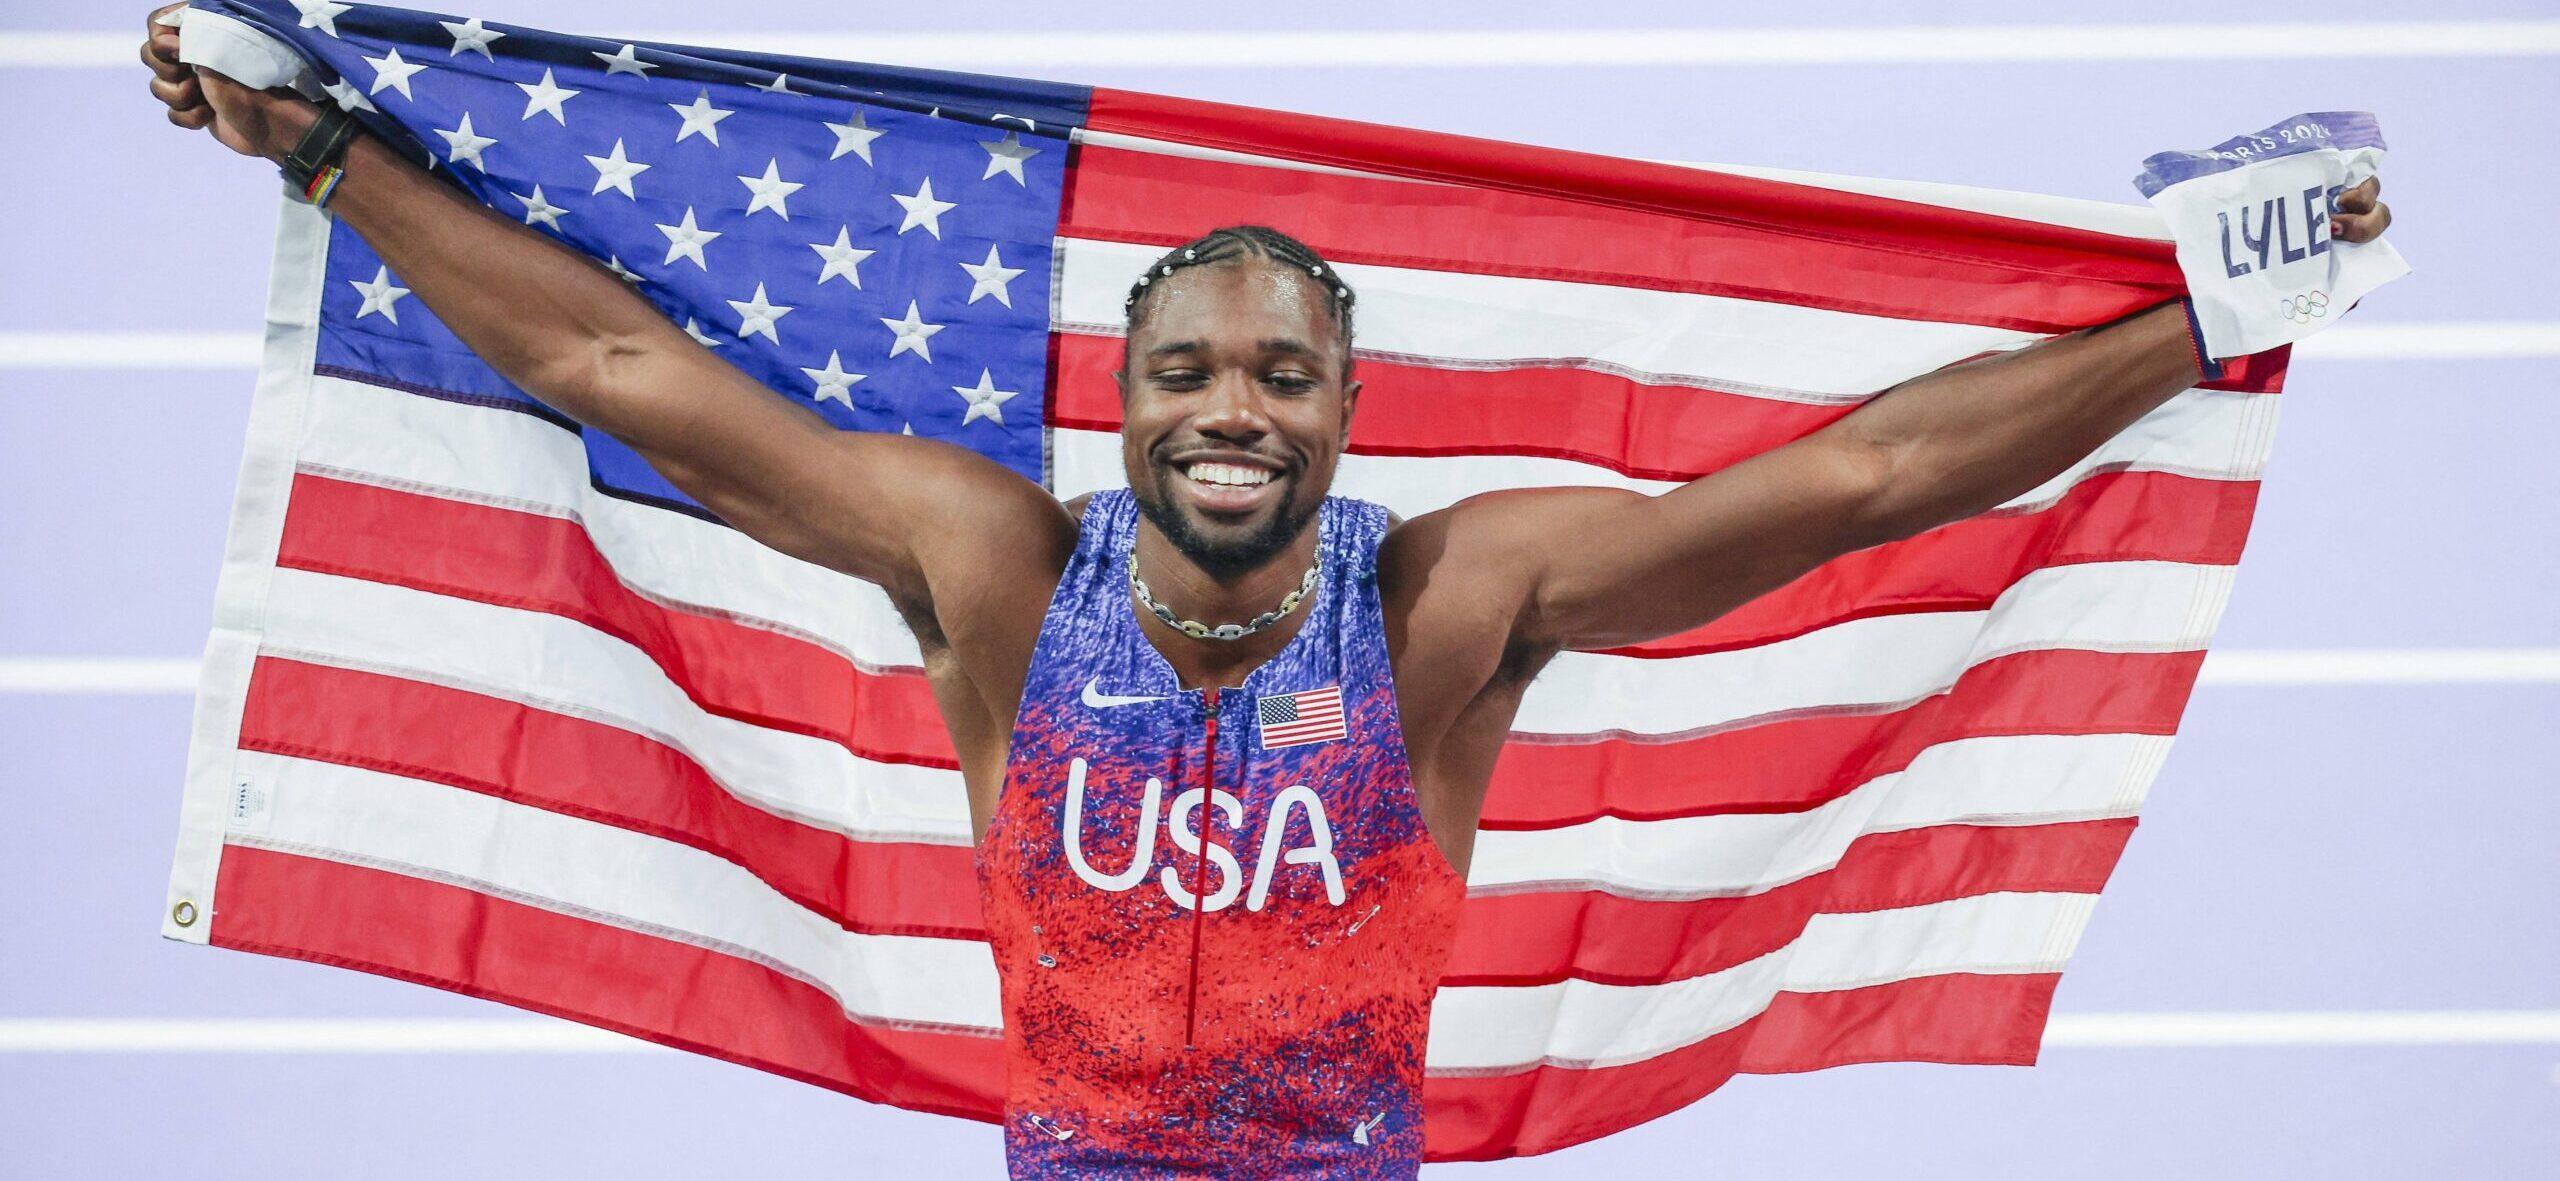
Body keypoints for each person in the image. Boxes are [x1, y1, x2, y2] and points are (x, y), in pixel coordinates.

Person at [141, 9, 2392, 1177]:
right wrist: (336, 155)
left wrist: (2187, 324)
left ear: (1340, 403)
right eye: (1192, 368)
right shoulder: (991, 568)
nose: (1236, 405)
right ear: (1124, 404)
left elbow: (1866, 476)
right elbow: (611, 365)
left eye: (1282, 372)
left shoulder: (1449, 604)